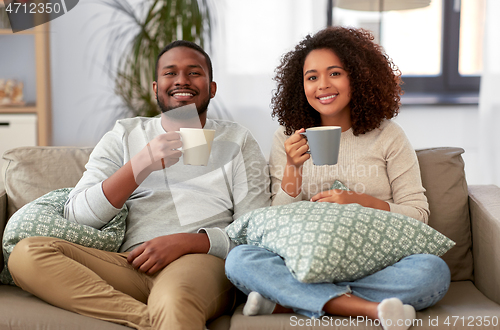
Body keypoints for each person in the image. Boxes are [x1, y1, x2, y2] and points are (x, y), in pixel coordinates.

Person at [8, 40, 271, 330]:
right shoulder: (125, 134)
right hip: (129, 263)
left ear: (212, 88)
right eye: (171, 73)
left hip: (200, 261)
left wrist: (188, 242)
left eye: (194, 72)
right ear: (156, 88)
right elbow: (78, 216)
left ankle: (166, 314)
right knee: (27, 254)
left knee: (175, 298)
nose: (182, 80)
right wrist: (141, 163)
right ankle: (151, 322)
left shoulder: (237, 140)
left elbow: (254, 232)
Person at [224, 27, 450, 330]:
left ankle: (288, 299)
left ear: (357, 77)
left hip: (376, 263)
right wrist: (293, 168)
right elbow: (275, 221)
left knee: (432, 271)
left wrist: (360, 202)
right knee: (240, 259)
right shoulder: (287, 138)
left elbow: (418, 214)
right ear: (300, 85)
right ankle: (370, 309)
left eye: (335, 73)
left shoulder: (388, 136)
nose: (323, 86)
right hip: (307, 262)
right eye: (312, 77)